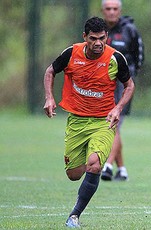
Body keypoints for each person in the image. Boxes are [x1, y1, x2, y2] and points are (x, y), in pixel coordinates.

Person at [43, 16, 134, 228]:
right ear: (85, 37)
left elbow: (129, 85)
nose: (98, 43)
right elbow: (50, 71)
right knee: (73, 174)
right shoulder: (71, 53)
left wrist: (117, 108)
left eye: (102, 38)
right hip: (76, 121)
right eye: (93, 38)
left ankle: (74, 215)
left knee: (94, 165)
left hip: (104, 121)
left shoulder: (115, 58)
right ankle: (91, 160)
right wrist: (49, 97)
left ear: (107, 37)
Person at [100, 0, 144, 181]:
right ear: (103, 10)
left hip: (122, 85)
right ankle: (122, 170)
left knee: (114, 123)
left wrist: (128, 77)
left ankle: (108, 166)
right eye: (108, 9)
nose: (111, 12)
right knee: (112, 125)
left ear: (120, 10)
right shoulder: (98, 31)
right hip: (103, 83)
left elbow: (139, 57)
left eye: (115, 9)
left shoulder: (130, 30)